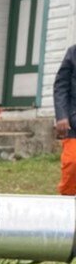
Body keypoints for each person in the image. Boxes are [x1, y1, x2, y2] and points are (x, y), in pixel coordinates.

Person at [53, 46, 76, 195]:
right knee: (72, 163)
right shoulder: (73, 53)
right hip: (74, 123)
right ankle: (67, 203)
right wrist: (61, 116)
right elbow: (61, 86)